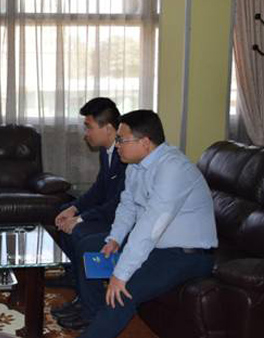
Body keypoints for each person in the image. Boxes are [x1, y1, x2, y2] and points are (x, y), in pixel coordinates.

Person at [78, 110, 217, 338]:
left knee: (123, 291)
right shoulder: (135, 165)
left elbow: (151, 226)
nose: (117, 145)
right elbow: (128, 206)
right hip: (157, 247)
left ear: (144, 142)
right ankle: (92, 316)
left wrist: (120, 275)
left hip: (187, 255)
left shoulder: (173, 169)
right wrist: (115, 239)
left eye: (122, 140)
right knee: (91, 248)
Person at [52, 98, 127, 330]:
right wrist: (73, 209)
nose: (86, 134)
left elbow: (119, 203)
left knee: (81, 235)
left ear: (108, 128)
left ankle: (91, 310)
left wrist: (81, 218)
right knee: (63, 215)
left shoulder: (126, 154)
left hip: (122, 220)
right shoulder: (107, 150)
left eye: (89, 127)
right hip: (110, 212)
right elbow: (99, 189)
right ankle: (77, 285)